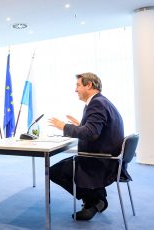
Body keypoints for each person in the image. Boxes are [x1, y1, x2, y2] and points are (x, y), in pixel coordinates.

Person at [48, 72, 124, 221]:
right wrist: (80, 125)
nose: (75, 90)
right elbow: (95, 129)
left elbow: (91, 133)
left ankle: (93, 201)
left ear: (89, 85)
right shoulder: (101, 102)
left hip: (100, 161)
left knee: (54, 172)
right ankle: (98, 198)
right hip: (107, 158)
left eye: (78, 85)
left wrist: (64, 126)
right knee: (65, 166)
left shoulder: (97, 103)